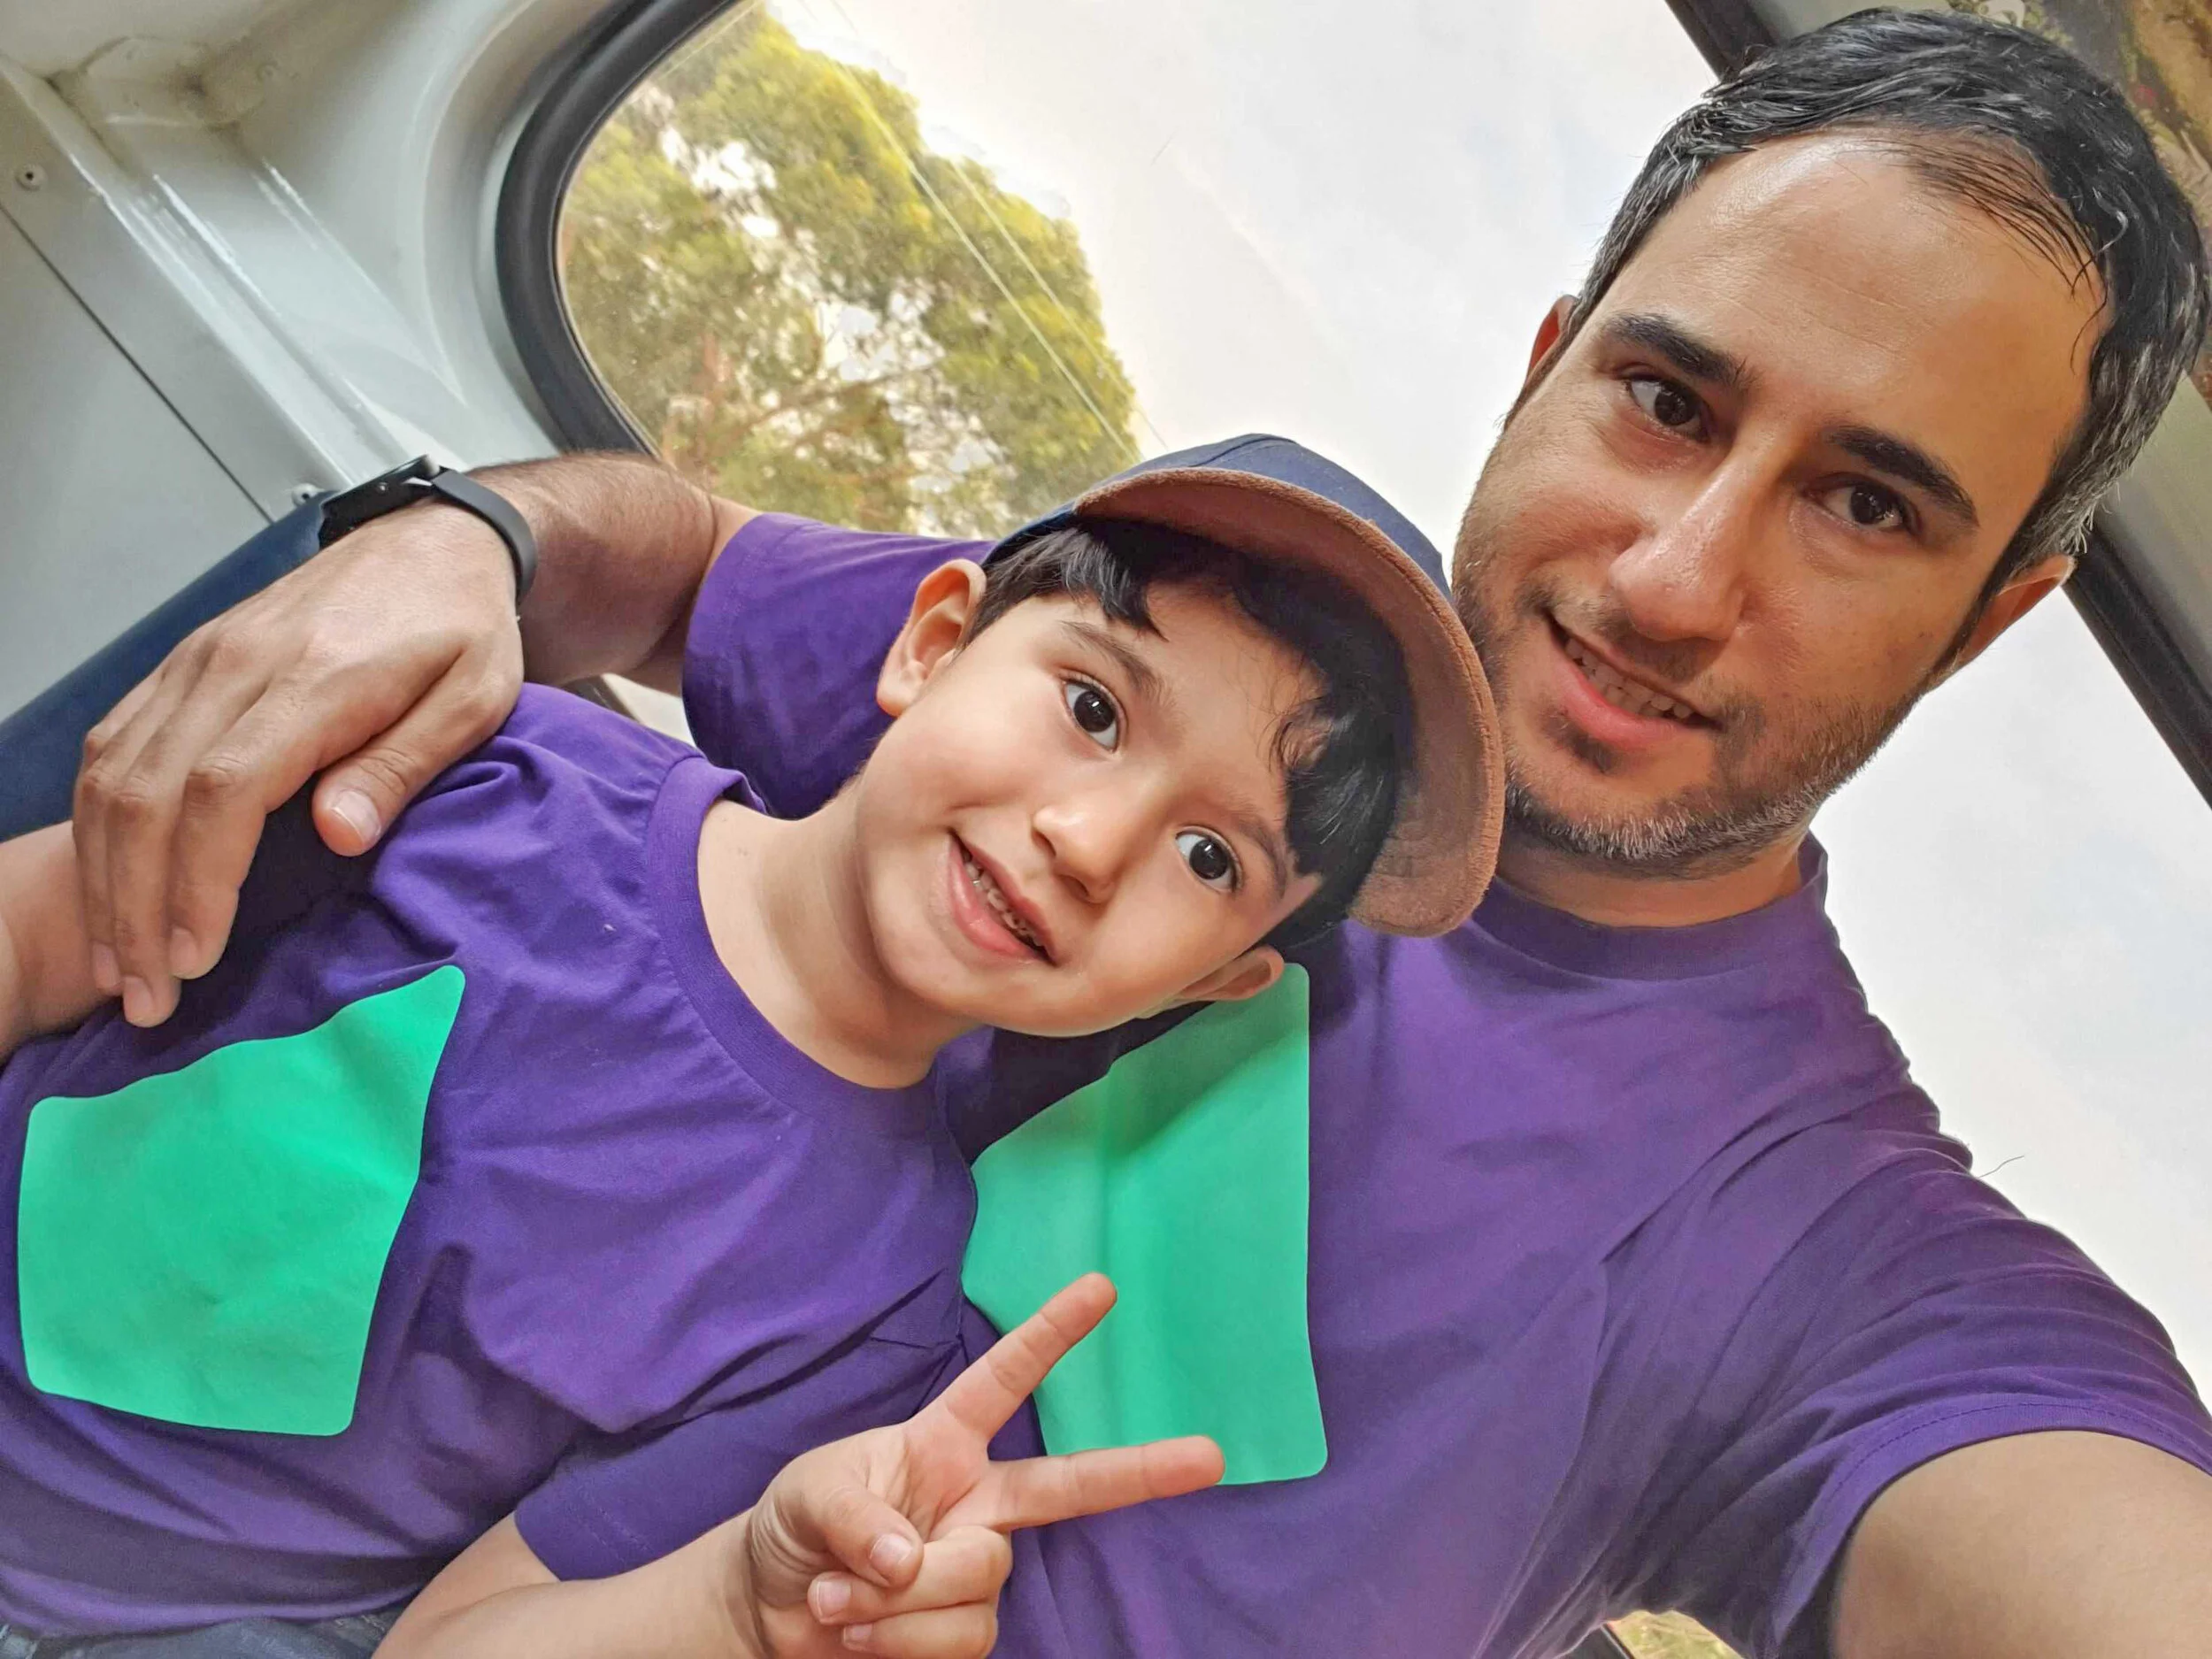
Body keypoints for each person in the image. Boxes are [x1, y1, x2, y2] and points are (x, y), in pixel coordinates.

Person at [50, 9, 2212, 1656]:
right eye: (1663, 397)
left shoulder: (1819, 1245)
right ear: (1544, 366)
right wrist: (456, 536)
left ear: (1983, 618)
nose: (1668, 576)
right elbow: (678, 562)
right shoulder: (1132, 693)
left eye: (1865, 503)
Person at [0, 452, 1500, 1647]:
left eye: (1211, 855)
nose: (1090, 840)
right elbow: (34, 937)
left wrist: (738, 1600)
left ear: (1222, 979)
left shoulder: (871, 1311)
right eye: (1094, 706)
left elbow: (451, 1638)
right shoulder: (501, 760)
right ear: (931, 641)